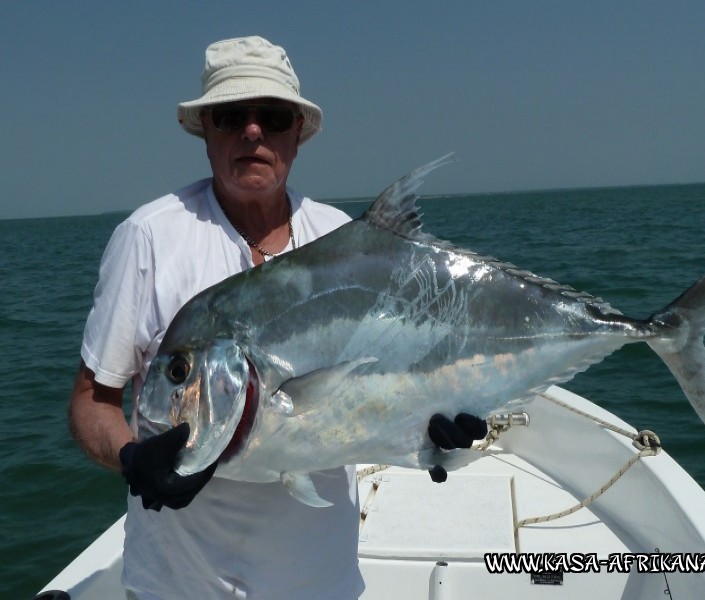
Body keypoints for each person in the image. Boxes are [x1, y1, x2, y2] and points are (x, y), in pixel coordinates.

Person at [68, 36, 485, 599]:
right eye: (231, 116)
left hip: (323, 583)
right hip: (180, 586)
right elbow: (92, 400)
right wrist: (130, 457)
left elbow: (384, 388)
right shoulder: (150, 238)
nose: (253, 131)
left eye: (273, 116)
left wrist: (437, 441)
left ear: (297, 134)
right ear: (206, 133)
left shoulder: (343, 239)